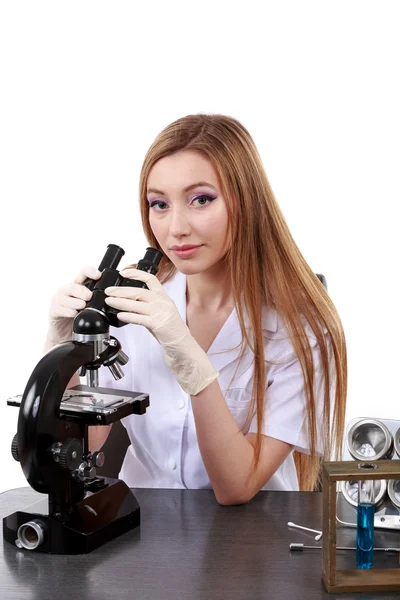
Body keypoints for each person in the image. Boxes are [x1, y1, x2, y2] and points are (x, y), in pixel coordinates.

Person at [44, 113, 347, 504]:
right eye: (159, 204)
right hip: (141, 526)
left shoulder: (303, 328)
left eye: (201, 199)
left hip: (252, 541)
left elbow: (236, 486)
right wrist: (62, 352)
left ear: (246, 201)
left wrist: (187, 355)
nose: (176, 228)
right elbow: (85, 444)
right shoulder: (133, 300)